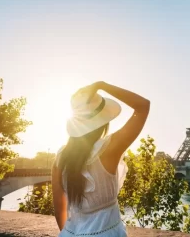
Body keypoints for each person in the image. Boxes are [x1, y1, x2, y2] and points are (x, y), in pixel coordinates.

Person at [51, 81, 150, 236]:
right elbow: (143, 106)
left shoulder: (61, 157)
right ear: (104, 121)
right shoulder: (110, 148)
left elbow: (59, 208)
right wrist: (101, 85)